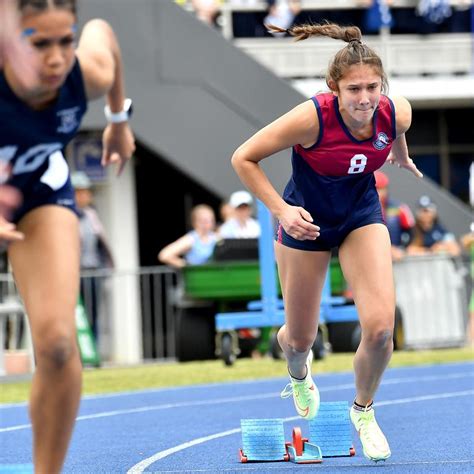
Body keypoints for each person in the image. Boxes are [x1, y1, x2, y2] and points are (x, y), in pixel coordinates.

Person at [231, 21, 423, 462]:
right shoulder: (312, 117)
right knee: (300, 339)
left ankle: (364, 410)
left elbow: (396, 128)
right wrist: (282, 211)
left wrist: (401, 152)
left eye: (373, 87)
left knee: (379, 331)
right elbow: (243, 157)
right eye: (354, 89)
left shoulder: (397, 112)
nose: (365, 99)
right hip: (306, 224)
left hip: (360, 217)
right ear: (334, 88)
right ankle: (298, 372)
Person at [0, 1, 135, 472]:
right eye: (40, 44)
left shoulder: (83, 72)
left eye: (65, 40)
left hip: (39, 191)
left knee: (58, 347)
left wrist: (118, 121)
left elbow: (106, 36)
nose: (56, 59)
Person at [72, 171, 114, 339]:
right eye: (81, 192)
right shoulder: (67, 215)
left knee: (92, 314)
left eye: (87, 191)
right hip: (74, 273)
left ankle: (93, 355)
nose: (86, 195)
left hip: (93, 271)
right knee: (75, 316)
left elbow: (101, 244)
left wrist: (106, 267)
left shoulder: (92, 215)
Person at [158, 204, 218, 268]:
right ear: (196, 221)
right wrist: (187, 266)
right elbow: (164, 255)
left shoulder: (216, 237)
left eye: (211, 220)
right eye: (205, 220)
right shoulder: (191, 239)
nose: (210, 223)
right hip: (196, 276)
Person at [374, 170, 414, 261]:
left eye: (380, 189)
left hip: (397, 257)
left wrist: (402, 249)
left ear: (386, 189)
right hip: (373, 256)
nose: (377, 193)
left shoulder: (399, 208)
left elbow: (411, 233)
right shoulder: (362, 210)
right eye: (374, 189)